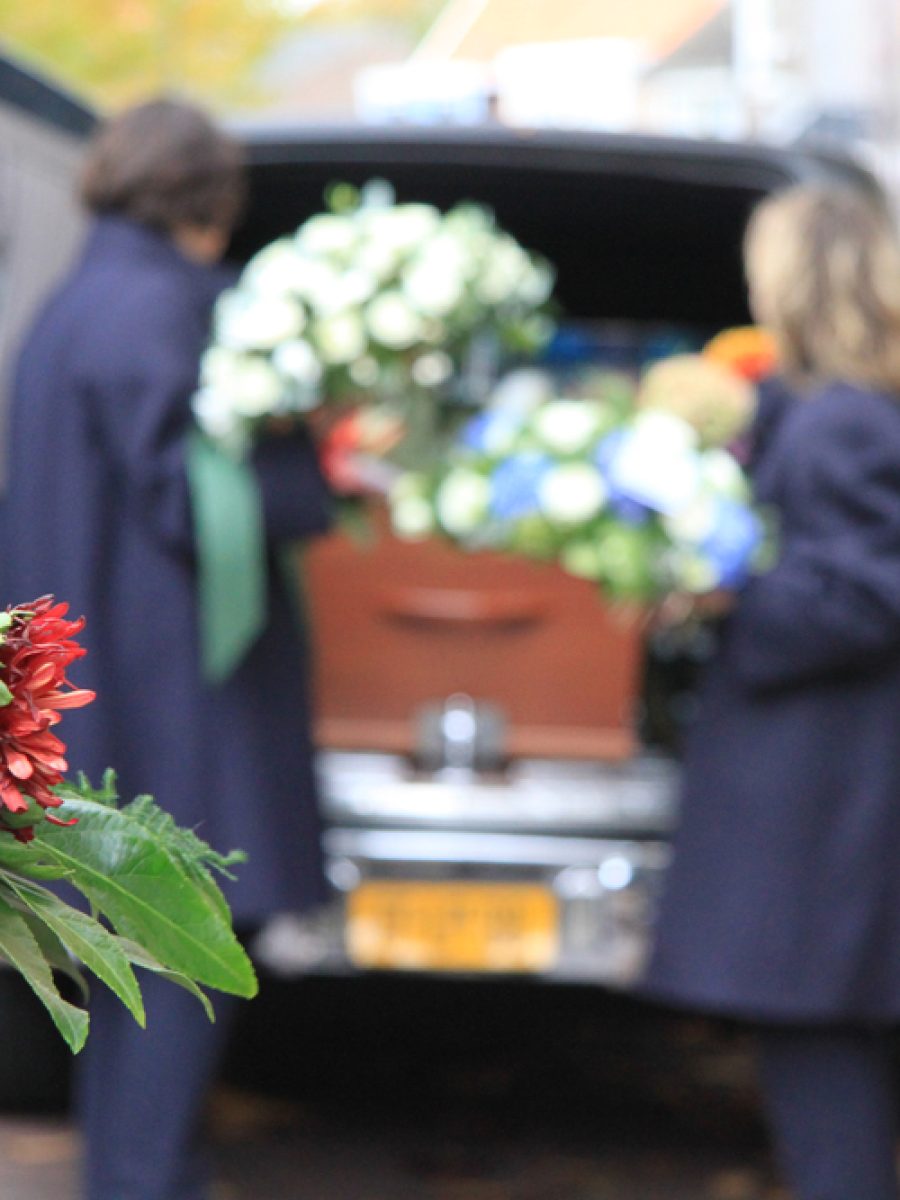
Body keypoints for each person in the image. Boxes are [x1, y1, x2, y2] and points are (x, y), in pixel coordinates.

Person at [3, 98, 334, 1200]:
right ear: (210, 199)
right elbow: (198, 500)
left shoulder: (71, 304)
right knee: (170, 986)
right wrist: (303, 454)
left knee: (124, 994)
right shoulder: (159, 309)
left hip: (84, 708)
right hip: (167, 719)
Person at [641, 183, 900, 1200]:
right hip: (839, 806)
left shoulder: (845, 423)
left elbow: (860, 601)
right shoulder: (843, 409)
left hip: (831, 811)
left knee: (825, 1087)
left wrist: (724, 593)